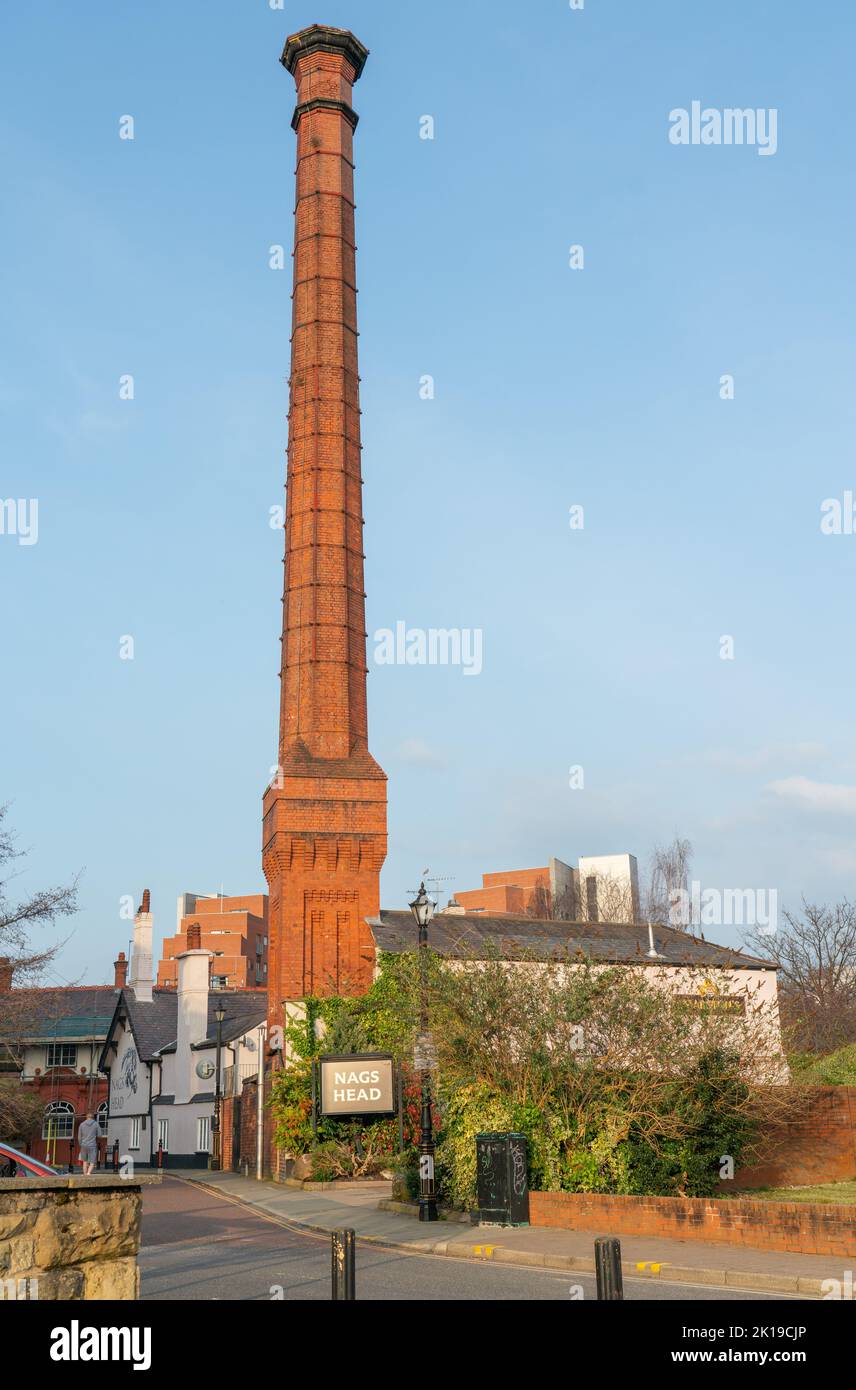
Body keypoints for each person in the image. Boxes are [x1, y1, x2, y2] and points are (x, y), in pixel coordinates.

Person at [77, 1111, 100, 1176]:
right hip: (92, 1145)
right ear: (93, 1117)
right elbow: (99, 1135)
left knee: (85, 1161)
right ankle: (88, 1173)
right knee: (92, 1160)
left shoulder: (81, 1124)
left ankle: (84, 1174)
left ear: (86, 1117)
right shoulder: (96, 1124)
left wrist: (80, 1144)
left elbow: (79, 1137)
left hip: (83, 1145)